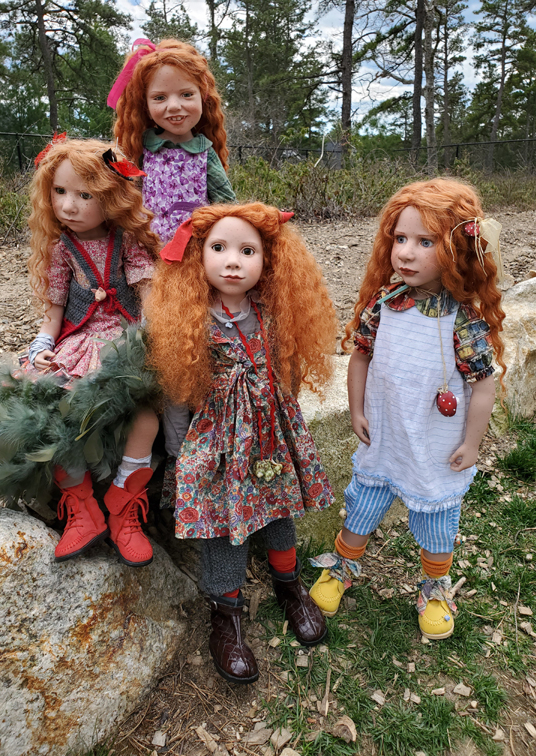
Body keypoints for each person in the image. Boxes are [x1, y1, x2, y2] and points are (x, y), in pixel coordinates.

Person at [145, 202, 337, 683]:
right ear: (198, 255)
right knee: (223, 526)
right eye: (219, 248)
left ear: (268, 260)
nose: (233, 261)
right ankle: (226, 614)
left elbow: (287, 372)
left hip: (270, 440)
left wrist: (285, 423)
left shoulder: (272, 313)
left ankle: (289, 585)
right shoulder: (189, 319)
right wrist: (179, 451)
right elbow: (177, 391)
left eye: (247, 251)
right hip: (217, 447)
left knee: (279, 513)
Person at [309, 178, 506, 640]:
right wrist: (356, 409)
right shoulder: (385, 304)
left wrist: (472, 443)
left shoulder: (462, 320)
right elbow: (360, 356)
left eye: (425, 242)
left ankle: (435, 586)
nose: (406, 253)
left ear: (457, 249)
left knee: (437, 519)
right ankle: (343, 566)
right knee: (362, 503)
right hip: (385, 434)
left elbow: (483, 384)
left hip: (436, 444)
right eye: (400, 239)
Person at [0, 137, 161, 567]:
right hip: (77, 343)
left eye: (85, 195)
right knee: (53, 411)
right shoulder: (61, 250)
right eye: (59, 192)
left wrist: (145, 341)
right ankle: (81, 506)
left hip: (124, 339)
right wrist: (41, 347)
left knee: (145, 415)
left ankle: (124, 501)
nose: (68, 206)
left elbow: (148, 301)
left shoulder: (127, 242)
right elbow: (52, 315)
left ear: (112, 197)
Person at [108, 38, 236, 243]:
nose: (174, 106)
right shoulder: (142, 149)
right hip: (148, 246)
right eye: (160, 97)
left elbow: (227, 203)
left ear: (203, 96)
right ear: (145, 104)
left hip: (194, 247)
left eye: (186, 94)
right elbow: (124, 197)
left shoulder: (204, 152)